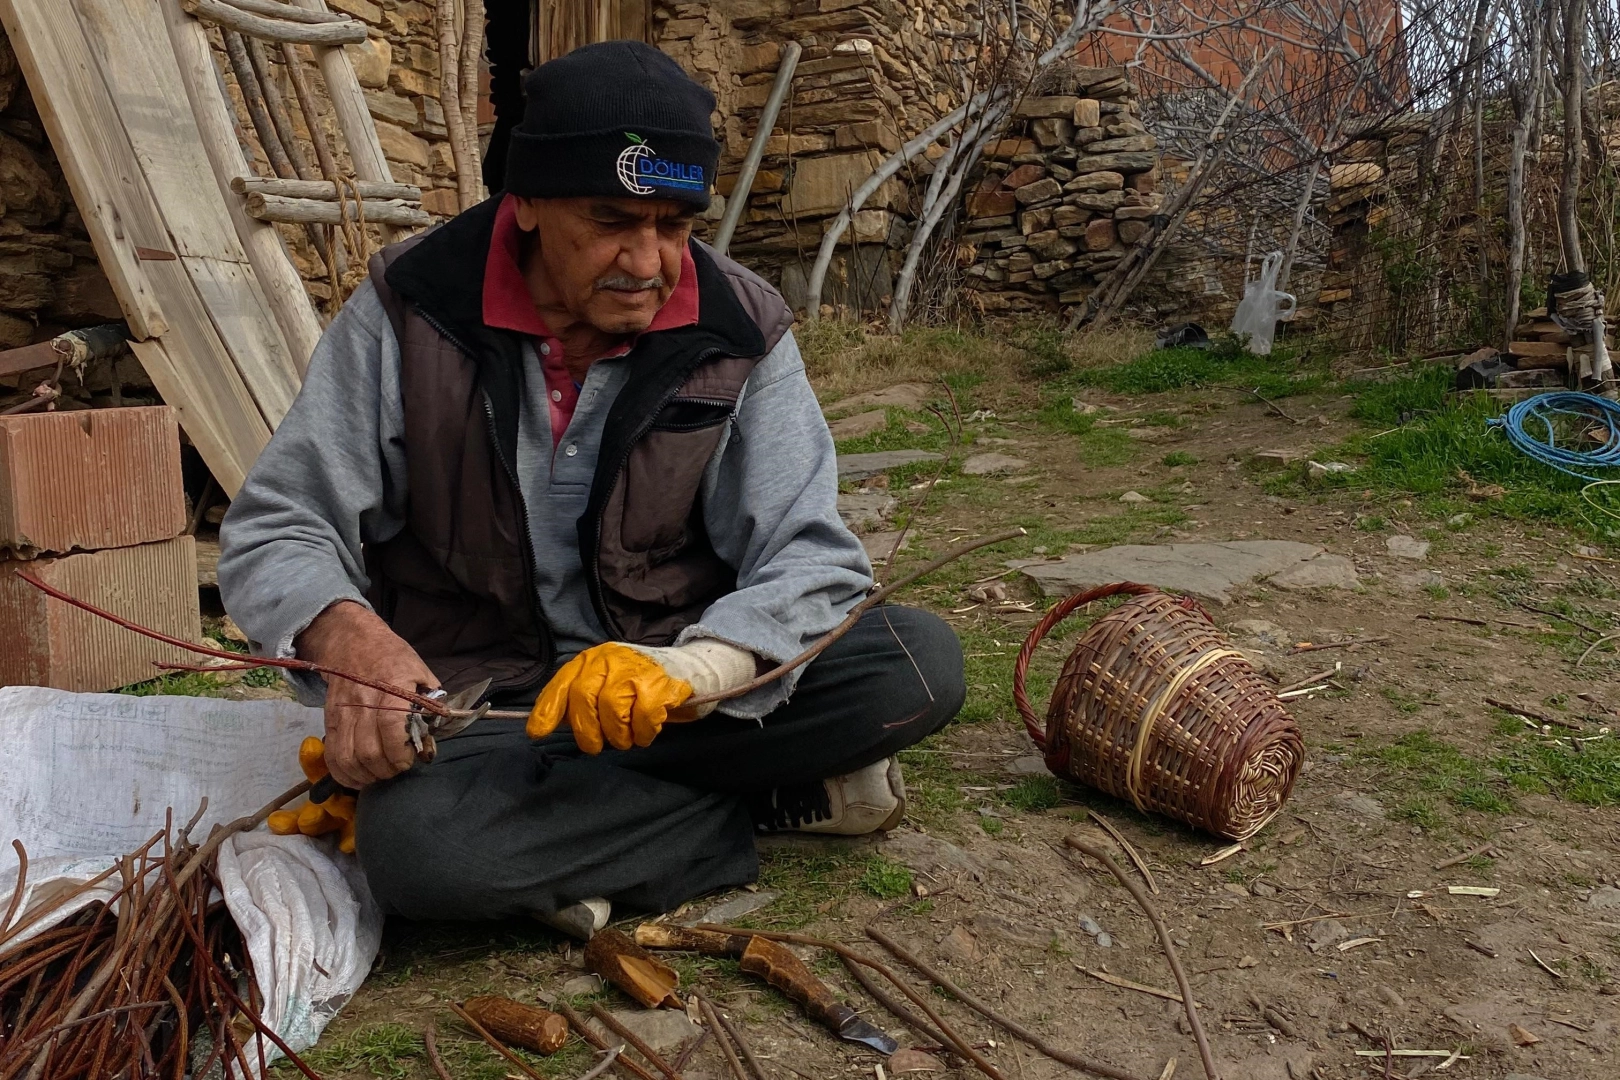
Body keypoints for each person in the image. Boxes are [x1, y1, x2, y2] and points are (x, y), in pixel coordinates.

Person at [218, 41, 964, 937]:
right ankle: (768, 801)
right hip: (482, 707)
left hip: (672, 696)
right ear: (526, 202)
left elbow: (811, 555)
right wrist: (350, 637)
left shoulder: (739, 325)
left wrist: (690, 668)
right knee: (425, 853)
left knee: (915, 663)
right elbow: (278, 525)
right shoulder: (414, 309)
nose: (648, 262)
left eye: (676, 224)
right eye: (612, 221)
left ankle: (570, 838)